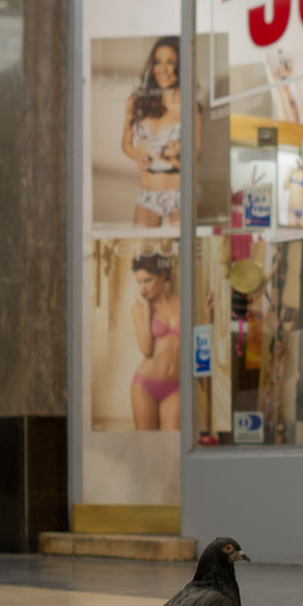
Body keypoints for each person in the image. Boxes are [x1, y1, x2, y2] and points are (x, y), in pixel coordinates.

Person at [123, 37, 183, 227]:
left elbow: (198, 153)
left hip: (179, 193)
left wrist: (180, 150)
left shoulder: (188, 105)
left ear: (181, 65)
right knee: (141, 255)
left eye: (171, 62)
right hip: (147, 194)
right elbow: (125, 144)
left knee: (182, 256)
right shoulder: (136, 101)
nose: (163, 70)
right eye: (158, 62)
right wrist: (137, 156)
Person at [130, 252, 180, 430]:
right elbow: (146, 349)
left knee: (172, 447)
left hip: (175, 387)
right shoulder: (138, 308)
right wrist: (146, 309)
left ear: (162, 275)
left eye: (148, 280)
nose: (143, 288)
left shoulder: (182, 303)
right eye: (139, 282)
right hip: (145, 386)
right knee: (147, 449)